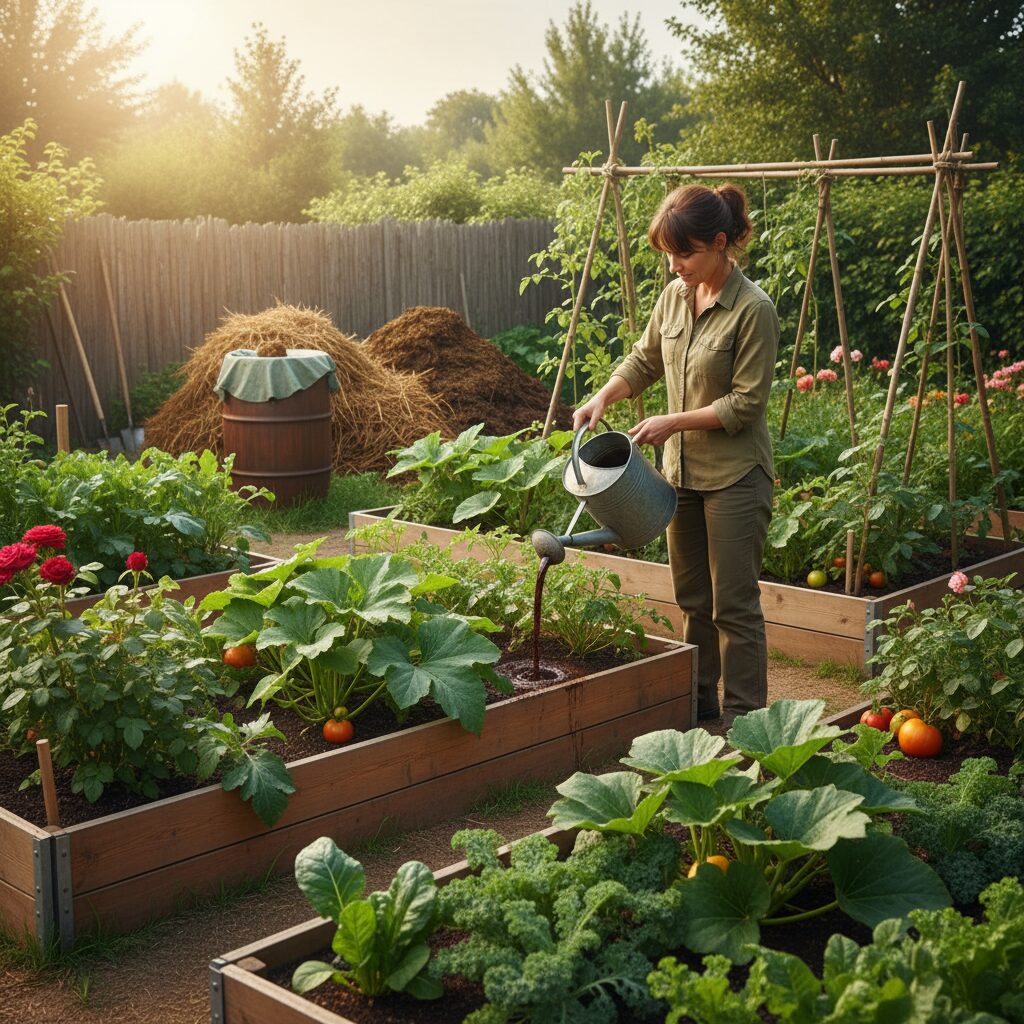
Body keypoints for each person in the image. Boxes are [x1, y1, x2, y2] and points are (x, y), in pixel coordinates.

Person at [572, 183, 778, 725]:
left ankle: (745, 722)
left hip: (735, 477)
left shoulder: (753, 309)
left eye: (684, 253)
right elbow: (643, 361)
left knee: (733, 605)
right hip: (679, 477)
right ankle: (700, 705)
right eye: (668, 254)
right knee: (692, 599)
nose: (674, 266)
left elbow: (746, 405)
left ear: (719, 243)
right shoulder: (674, 299)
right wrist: (601, 397)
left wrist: (672, 422)